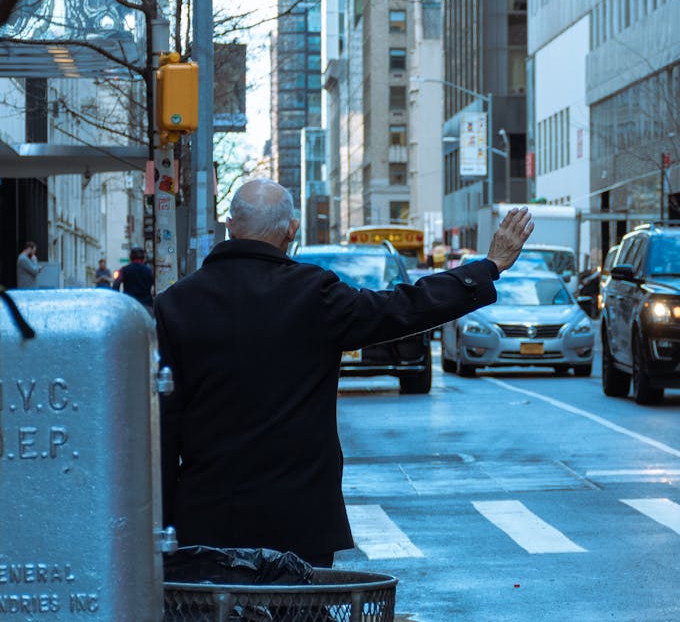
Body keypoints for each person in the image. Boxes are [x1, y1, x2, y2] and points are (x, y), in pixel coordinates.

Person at [156, 179, 533, 567]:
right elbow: (405, 307)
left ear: (230, 226)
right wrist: (488, 268)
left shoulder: (174, 306)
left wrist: (161, 529)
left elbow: (162, 431)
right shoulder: (312, 294)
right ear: (291, 230)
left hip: (204, 521)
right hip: (299, 524)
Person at [113, 247, 155, 311]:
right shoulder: (149, 271)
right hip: (146, 304)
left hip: (129, 304)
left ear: (130, 258)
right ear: (143, 258)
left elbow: (116, 285)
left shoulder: (124, 270)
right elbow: (156, 285)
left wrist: (118, 301)